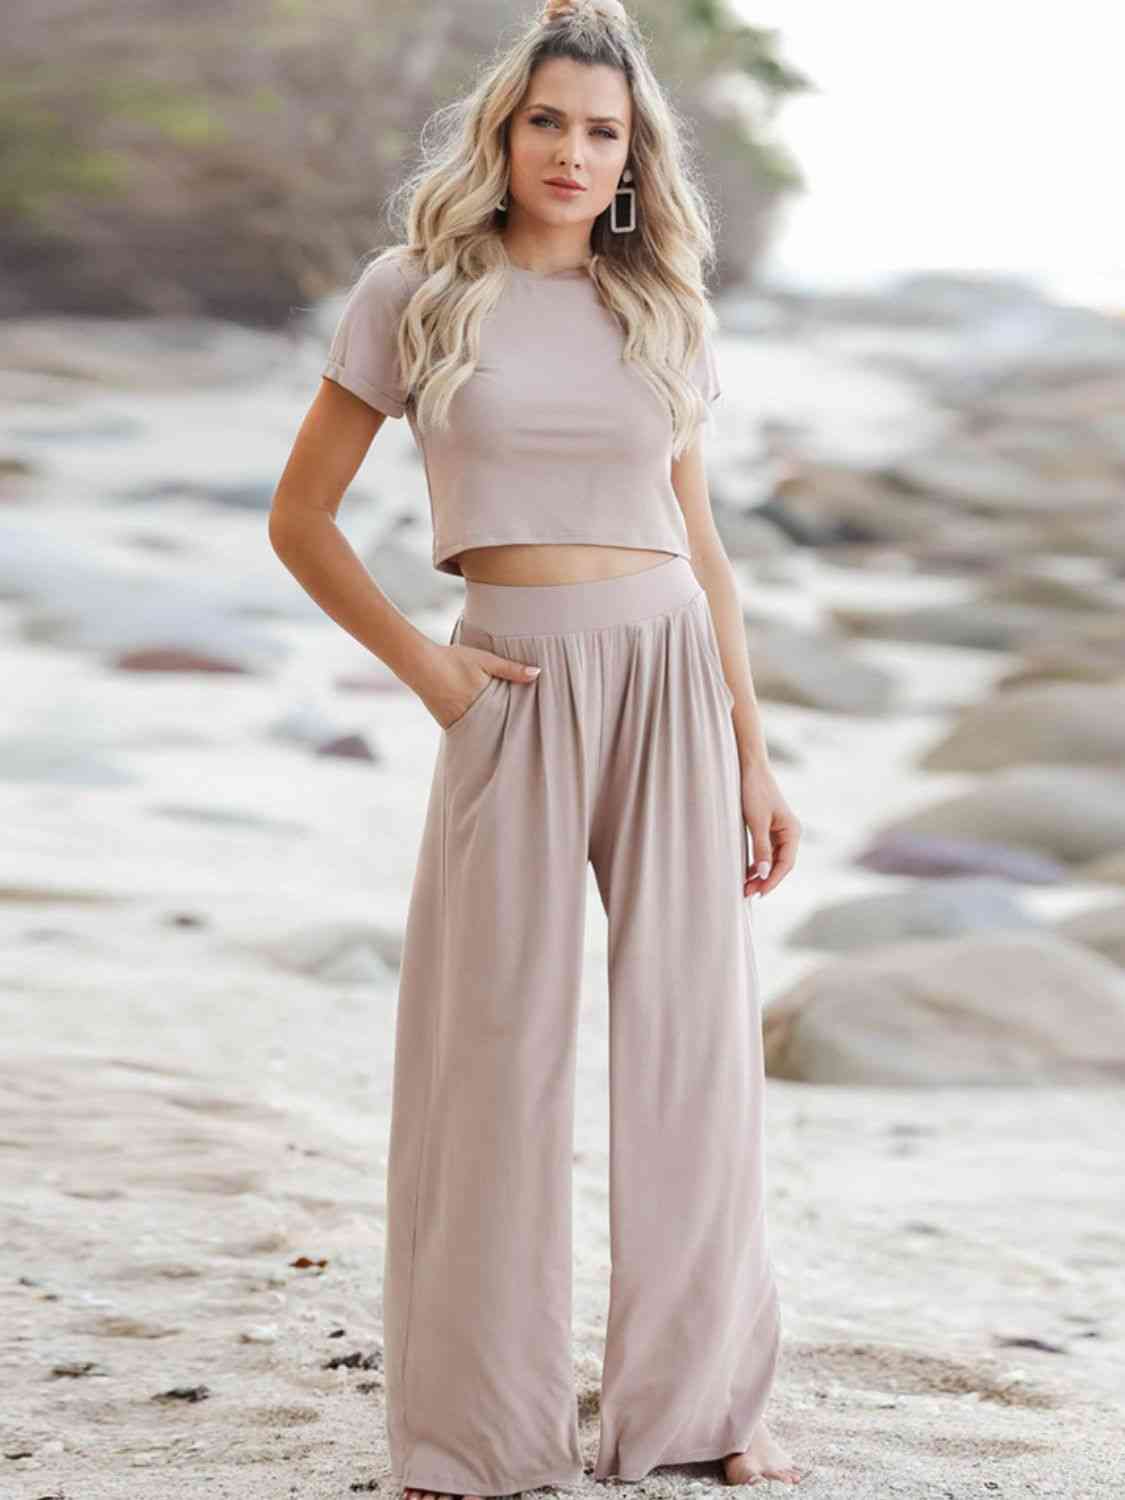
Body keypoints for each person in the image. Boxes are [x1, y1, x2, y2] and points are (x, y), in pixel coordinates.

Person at [269, 0, 804, 1492]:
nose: (574, 152)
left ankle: (694, 1414)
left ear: (636, 160)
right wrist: (428, 671)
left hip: (668, 680)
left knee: (689, 1048)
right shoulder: (416, 290)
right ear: (504, 135)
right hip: (503, 682)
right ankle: (471, 1434)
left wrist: (752, 756)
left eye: (605, 131)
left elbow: (700, 546)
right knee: (489, 1052)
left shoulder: (663, 311)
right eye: (549, 122)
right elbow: (299, 519)